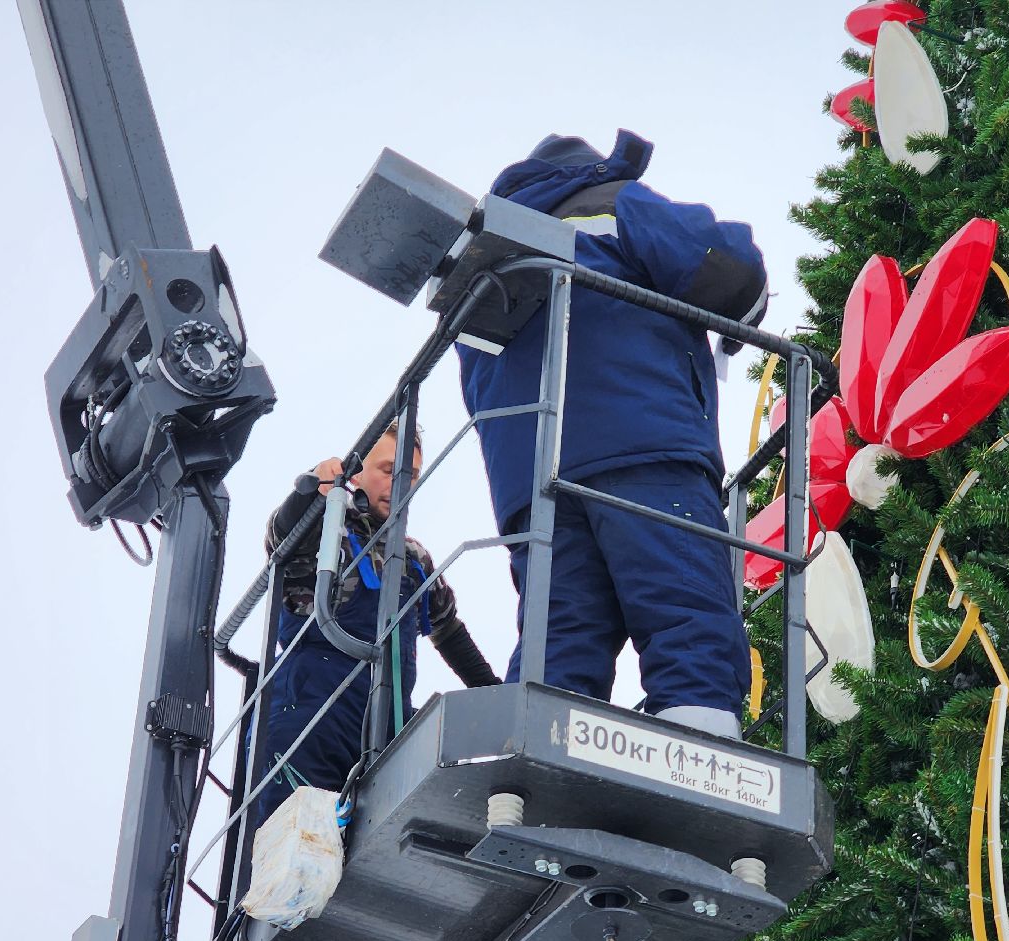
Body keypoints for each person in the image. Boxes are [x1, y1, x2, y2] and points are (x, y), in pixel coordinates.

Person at [457, 130, 767, 739]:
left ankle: (529, 765)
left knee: (560, 635)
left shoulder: (481, 259)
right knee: (682, 604)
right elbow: (727, 265)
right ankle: (700, 749)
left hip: (531, 482)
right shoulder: (606, 200)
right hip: (642, 446)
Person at [257, 421, 499, 821]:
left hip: (382, 740)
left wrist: (494, 696)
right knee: (295, 861)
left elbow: (449, 630)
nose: (402, 484)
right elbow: (282, 535)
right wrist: (312, 489)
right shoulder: (325, 529)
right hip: (309, 730)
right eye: (390, 471)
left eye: (412, 476)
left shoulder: (413, 560)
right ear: (355, 473)